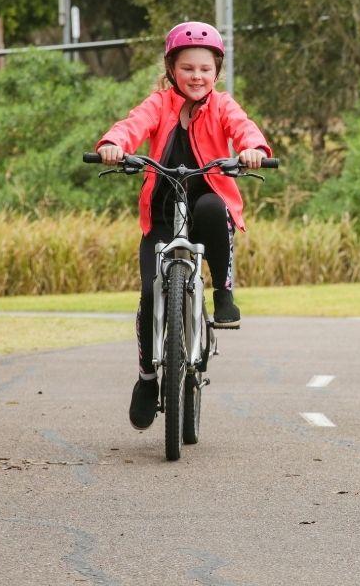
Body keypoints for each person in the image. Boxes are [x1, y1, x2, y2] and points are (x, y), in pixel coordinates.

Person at [95, 21, 271, 431]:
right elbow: (131, 125)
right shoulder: (158, 104)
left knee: (213, 206)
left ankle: (224, 293)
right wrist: (113, 145)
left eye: (205, 70)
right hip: (161, 212)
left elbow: (244, 128)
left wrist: (252, 150)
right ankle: (146, 379)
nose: (197, 76)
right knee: (148, 293)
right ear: (172, 69)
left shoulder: (223, 105)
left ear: (217, 72)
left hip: (206, 205)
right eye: (188, 68)